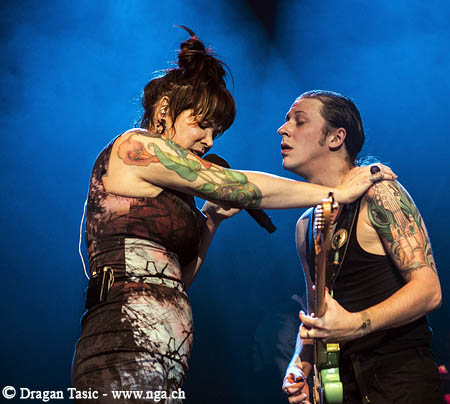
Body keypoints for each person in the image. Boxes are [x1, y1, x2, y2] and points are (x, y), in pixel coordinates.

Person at [71, 27, 395, 403]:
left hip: (163, 357)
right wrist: (336, 192)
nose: (209, 140)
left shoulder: (173, 192)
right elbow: (235, 184)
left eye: (216, 132)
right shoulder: (135, 147)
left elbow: (177, 280)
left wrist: (210, 221)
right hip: (120, 343)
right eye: (201, 124)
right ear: (164, 109)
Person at [280, 90, 443, 404]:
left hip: (399, 383)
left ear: (336, 137)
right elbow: (318, 312)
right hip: (343, 387)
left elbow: (429, 291)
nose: (282, 129)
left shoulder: (380, 194)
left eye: (299, 121)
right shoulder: (305, 224)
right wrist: (300, 365)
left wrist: (355, 325)